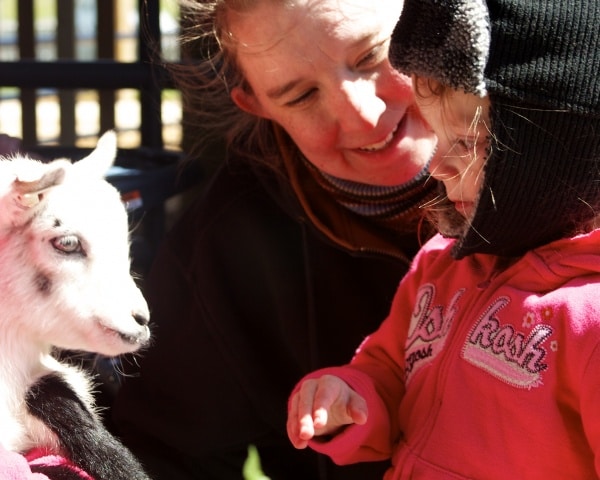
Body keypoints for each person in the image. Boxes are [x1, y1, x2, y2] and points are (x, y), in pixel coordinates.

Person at [111, 0, 438, 479]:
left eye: (372, 56)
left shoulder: (563, 153)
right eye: (301, 96)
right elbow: (168, 454)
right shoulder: (228, 242)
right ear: (258, 105)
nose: (363, 116)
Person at [287, 0, 600, 477]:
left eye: (469, 142)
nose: (437, 166)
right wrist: (349, 395)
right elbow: (390, 371)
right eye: (438, 136)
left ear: (562, 151)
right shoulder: (442, 262)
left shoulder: (589, 319)